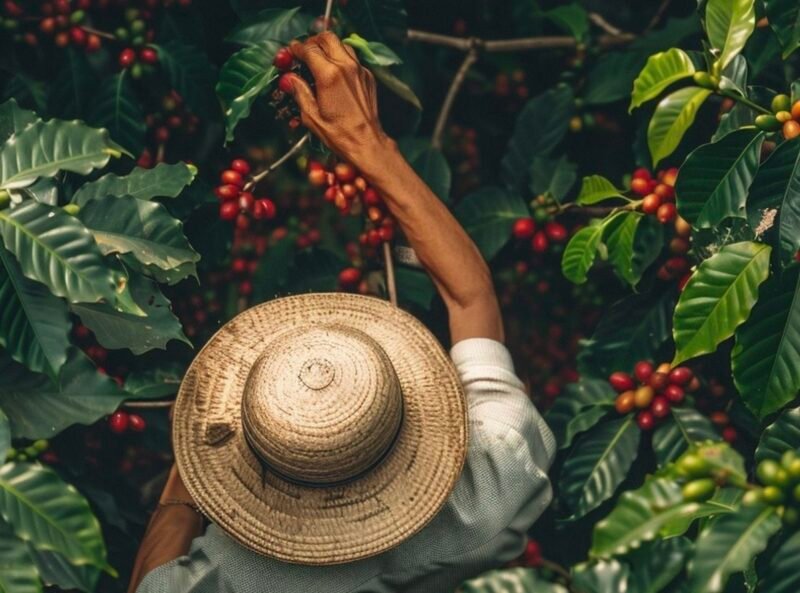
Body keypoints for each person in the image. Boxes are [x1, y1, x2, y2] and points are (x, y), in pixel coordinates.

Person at [129, 32, 555, 593]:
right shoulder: (488, 496)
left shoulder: (230, 578)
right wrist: (368, 142)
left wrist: (190, 474)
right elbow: (471, 299)